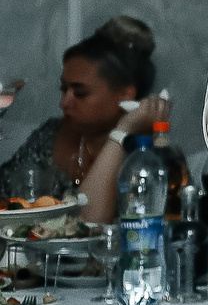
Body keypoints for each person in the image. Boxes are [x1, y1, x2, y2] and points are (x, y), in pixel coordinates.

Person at [1, 16, 166, 220]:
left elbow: (88, 221)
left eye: (80, 92)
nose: (64, 103)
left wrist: (123, 131)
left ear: (126, 95)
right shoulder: (48, 135)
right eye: (64, 89)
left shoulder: (144, 152)